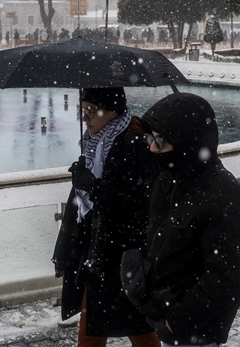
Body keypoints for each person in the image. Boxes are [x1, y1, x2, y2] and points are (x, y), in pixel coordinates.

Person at [121, 93, 240, 347]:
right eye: (150, 139)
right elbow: (159, 241)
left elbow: (225, 280)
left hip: (195, 334)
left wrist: (177, 320)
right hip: (170, 323)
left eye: (160, 141)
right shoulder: (170, 179)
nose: (152, 148)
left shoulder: (224, 194)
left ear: (186, 142)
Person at [52, 87, 161, 347]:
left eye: (92, 111)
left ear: (113, 112)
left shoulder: (134, 145)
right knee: (103, 326)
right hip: (99, 252)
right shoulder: (94, 144)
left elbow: (139, 207)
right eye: (83, 110)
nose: (85, 117)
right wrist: (83, 181)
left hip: (124, 255)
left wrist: (92, 186)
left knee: (136, 326)